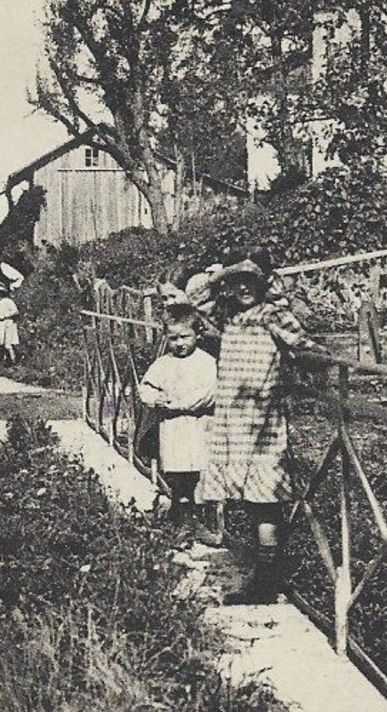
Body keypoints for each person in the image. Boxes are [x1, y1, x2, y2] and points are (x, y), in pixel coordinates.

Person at [196, 252, 320, 605]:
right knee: (251, 503)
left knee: (265, 502)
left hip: (261, 420)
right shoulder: (230, 316)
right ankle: (263, 572)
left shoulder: (273, 314)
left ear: (265, 282)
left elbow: (305, 345)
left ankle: (268, 580)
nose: (244, 287)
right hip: (233, 423)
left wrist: (323, 367)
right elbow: (196, 301)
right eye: (237, 281)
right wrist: (222, 275)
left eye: (252, 280)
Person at [137, 304, 217, 537]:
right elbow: (146, 388)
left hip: (200, 426)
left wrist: (174, 402)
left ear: (197, 335)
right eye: (173, 338)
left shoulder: (206, 362)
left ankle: (204, 521)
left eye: (185, 337)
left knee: (201, 473)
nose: (179, 343)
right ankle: (182, 517)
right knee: (178, 474)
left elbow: (207, 395)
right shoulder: (164, 364)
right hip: (173, 429)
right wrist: (156, 398)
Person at [0, 283, 21, 366]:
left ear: (3, 292)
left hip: (8, 323)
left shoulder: (8, 302)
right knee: (1, 344)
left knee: (8, 344)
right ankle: (6, 361)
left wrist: (6, 315)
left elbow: (15, 311)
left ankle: (14, 361)